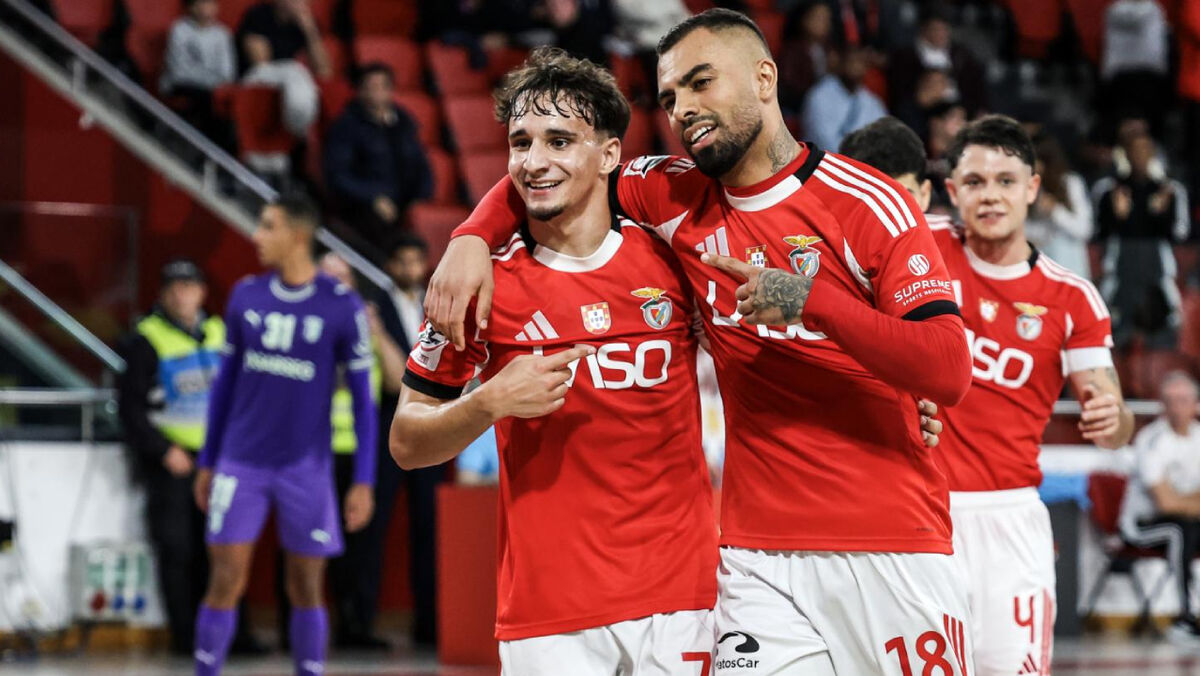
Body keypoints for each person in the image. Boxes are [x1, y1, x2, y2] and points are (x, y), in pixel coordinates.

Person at [426, 11, 976, 675]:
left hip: (891, 541)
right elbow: (554, 167)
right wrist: (470, 237)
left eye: (700, 82)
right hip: (755, 560)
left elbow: (948, 369)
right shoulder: (671, 192)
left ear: (764, 79)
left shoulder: (867, 202)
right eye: (669, 97)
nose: (682, 108)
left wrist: (811, 302)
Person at [391, 47, 719, 674]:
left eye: (560, 141)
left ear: (610, 155)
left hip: (683, 599)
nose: (534, 161)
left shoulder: (673, 260)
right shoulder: (479, 287)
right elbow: (407, 442)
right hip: (549, 617)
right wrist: (487, 402)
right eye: (520, 143)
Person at [840, 115, 1133, 676]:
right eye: (974, 182)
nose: (990, 195)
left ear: (1032, 187)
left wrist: (1110, 416)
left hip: (1009, 521)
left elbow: (1115, 425)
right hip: (915, 516)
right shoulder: (918, 248)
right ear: (950, 192)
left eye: (1005, 180)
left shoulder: (1072, 298)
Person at [191, 194, 377, 676]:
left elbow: (364, 402)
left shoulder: (341, 305)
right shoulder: (245, 295)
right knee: (225, 578)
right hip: (240, 462)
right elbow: (224, 388)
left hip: (306, 468)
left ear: (298, 235)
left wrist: (363, 479)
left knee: (306, 586)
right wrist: (208, 461)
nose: (257, 236)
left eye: (267, 226)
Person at [116, 260, 262, 657]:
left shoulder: (221, 332)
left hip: (222, 459)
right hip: (174, 463)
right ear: (163, 294)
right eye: (174, 287)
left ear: (202, 292)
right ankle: (187, 639)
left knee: (228, 546)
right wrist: (163, 450)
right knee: (178, 550)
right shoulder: (146, 339)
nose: (182, 295)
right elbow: (130, 409)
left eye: (189, 286)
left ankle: (236, 635)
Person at [371, 233, 444, 648]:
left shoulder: (435, 304)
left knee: (429, 527)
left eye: (417, 261)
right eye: (403, 261)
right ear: (390, 265)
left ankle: (429, 624)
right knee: (374, 524)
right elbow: (394, 378)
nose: (411, 269)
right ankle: (361, 621)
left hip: (432, 423)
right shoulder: (374, 309)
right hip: (384, 424)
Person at [1119, 370, 1200, 645]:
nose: (1177, 408)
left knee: (1186, 527)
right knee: (1179, 530)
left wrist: (1183, 501)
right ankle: (1185, 618)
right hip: (1141, 525)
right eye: (1170, 401)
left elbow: (1177, 501)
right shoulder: (1152, 440)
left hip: (1188, 520)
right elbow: (1165, 503)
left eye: (1183, 400)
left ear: (1195, 405)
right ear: (1162, 405)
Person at [1093, 131, 1190, 350]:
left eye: (1145, 151)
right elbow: (1098, 233)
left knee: (1166, 328)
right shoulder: (1110, 189)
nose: (1139, 156)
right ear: (1126, 155)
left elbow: (1179, 235)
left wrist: (1161, 214)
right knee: (1112, 329)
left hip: (1157, 268)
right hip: (1121, 269)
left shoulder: (1169, 189)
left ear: (1153, 154)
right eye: (1134, 151)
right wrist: (1118, 216)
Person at [323, 64, 433, 255]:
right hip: (364, 206)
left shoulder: (405, 123)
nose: (377, 92)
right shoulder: (346, 127)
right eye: (371, 87)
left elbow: (421, 164)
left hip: (404, 200)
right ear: (360, 91)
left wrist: (421, 197)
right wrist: (373, 197)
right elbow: (338, 176)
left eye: (383, 86)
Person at [159, 0, 236, 151]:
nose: (207, 8)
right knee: (206, 99)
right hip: (178, 84)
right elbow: (178, 71)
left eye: (211, 4)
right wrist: (210, 79)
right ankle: (204, 150)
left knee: (225, 101)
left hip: (212, 87)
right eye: (203, 3)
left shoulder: (223, 34)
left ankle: (222, 151)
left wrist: (211, 81)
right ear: (192, 7)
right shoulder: (179, 30)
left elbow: (227, 73)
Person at [1025, 131, 1094, 279]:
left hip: (1071, 272)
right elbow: (1029, 232)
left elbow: (1084, 230)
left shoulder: (1071, 183)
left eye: (1034, 161)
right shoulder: (1030, 187)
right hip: (1041, 273)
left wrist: (1055, 211)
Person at [801, 43, 886, 153]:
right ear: (841, 63)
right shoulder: (819, 96)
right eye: (852, 62)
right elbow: (822, 140)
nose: (856, 68)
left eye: (861, 63)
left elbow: (883, 136)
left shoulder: (872, 101)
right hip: (824, 160)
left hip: (862, 161)